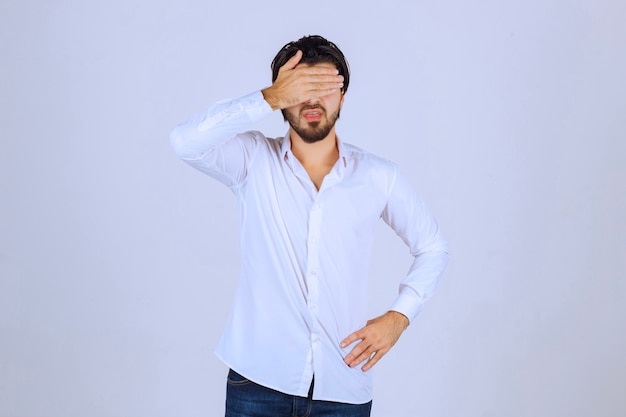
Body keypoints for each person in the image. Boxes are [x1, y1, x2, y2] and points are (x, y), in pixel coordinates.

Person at [170, 35, 449, 417]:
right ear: (282, 97)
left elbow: (433, 247)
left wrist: (398, 317)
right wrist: (266, 97)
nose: (313, 100)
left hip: (344, 386)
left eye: (325, 88)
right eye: (301, 89)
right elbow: (185, 141)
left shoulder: (379, 176)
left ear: (344, 97)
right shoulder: (253, 160)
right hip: (258, 382)